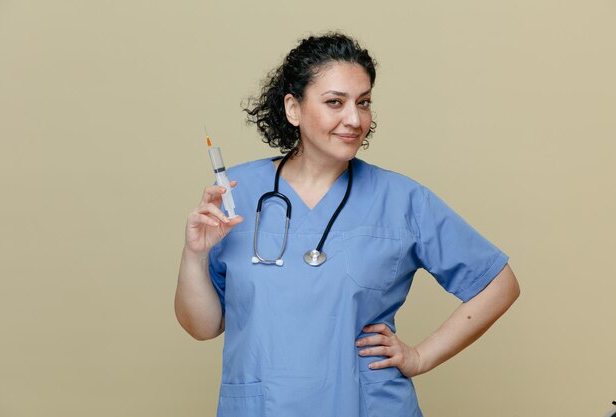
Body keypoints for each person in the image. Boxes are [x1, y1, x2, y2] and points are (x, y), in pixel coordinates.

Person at [175, 32, 520, 417]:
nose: (355, 120)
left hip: (367, 405)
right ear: (293, 108)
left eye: (364, 102)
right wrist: (194, 255)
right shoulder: (237, 192)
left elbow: (498, 283)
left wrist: (420, 357)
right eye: (335, 102)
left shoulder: (401, 200)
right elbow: (203, 327)